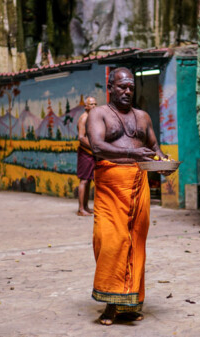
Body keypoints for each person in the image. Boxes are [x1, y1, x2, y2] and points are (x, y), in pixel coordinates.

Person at [86, 67, 173, 325]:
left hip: (138, 185)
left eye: (131, 87)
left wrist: (164, 161)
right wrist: (133, 155)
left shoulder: (143, 116)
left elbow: (154, 147)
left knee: (135, 243)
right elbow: (97, 146)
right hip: (110, 187)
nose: (127, 91)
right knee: (109, 240)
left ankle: (130, 304)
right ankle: (111, 303)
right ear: (110, 87)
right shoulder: (98, 114)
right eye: (122, 86)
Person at [76, 96, 97, 216]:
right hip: (85, 152)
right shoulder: (84, 118)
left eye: (95, 104)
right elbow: (81, 137)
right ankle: (80, 209)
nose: (94, 106)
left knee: (89, 180)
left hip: (91, 153)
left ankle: (86, 206)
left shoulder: (91, 117)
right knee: (84, 180)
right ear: (86, 106)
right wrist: (93, 147)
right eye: (91, 104)